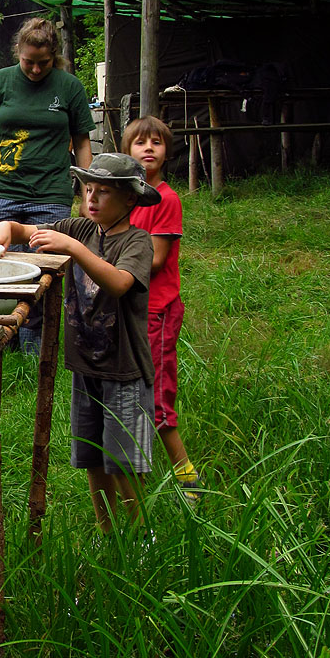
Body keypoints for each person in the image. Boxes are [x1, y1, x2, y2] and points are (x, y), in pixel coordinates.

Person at [0, 153, 160, 531]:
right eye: (87, 189)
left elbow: (120, 283)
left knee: (124, 459)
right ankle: (106, 530)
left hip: (124, 368)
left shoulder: (138, 241)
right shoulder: (81, 228)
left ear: (129, 200)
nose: (91, 199)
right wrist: (7, 230)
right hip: (85, 365)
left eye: (104, 192)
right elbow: (27, 231)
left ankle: (140, 536)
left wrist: (72, 249)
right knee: (92, 455)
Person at [0, 16, 94, 351]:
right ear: (17, 53)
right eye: (28, 62)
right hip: (3, 192)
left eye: (44, 63)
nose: (36, 70)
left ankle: (34, 346)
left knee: (41, 272)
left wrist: (87, 193)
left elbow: (82, 144)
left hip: (51, 194)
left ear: (55, 57)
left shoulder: (70, 87)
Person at [121, 116, 201, 500]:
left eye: (156, 142)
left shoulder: (166, 199)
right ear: (127, 150)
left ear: (168, 152)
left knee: (157, 400)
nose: (148, 148)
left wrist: (102, 259)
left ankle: (189, 479)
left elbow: (154, 258)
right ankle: (138, 477)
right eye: (140, 142)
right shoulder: (123, 197)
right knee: (130, 397)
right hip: (128, 308)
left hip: (158, 309)